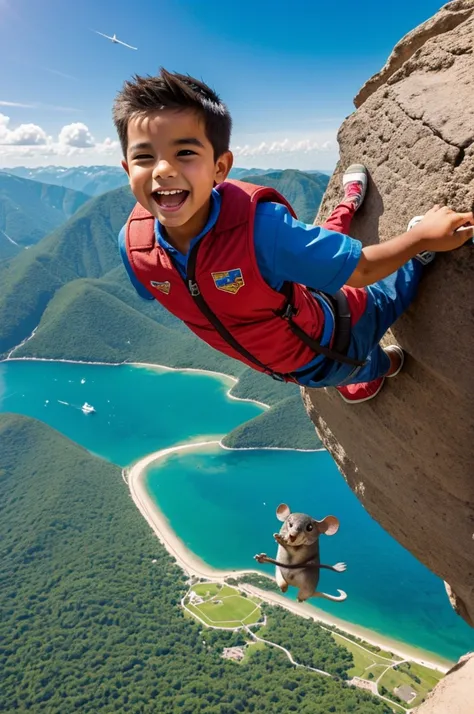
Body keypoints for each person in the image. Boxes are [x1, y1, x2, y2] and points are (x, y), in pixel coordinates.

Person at [114, 68, 473, 404]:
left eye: (185, 153)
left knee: (380, 325)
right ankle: (348, 202)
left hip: (333, 339)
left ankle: (415, 259)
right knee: (312, 248)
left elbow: (361, 271)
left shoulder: (261, 230)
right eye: (145, 156)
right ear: (128, 169)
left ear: (219, 167)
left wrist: (424, 237)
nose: (163, 170)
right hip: (291, 332)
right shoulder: (135, 245)